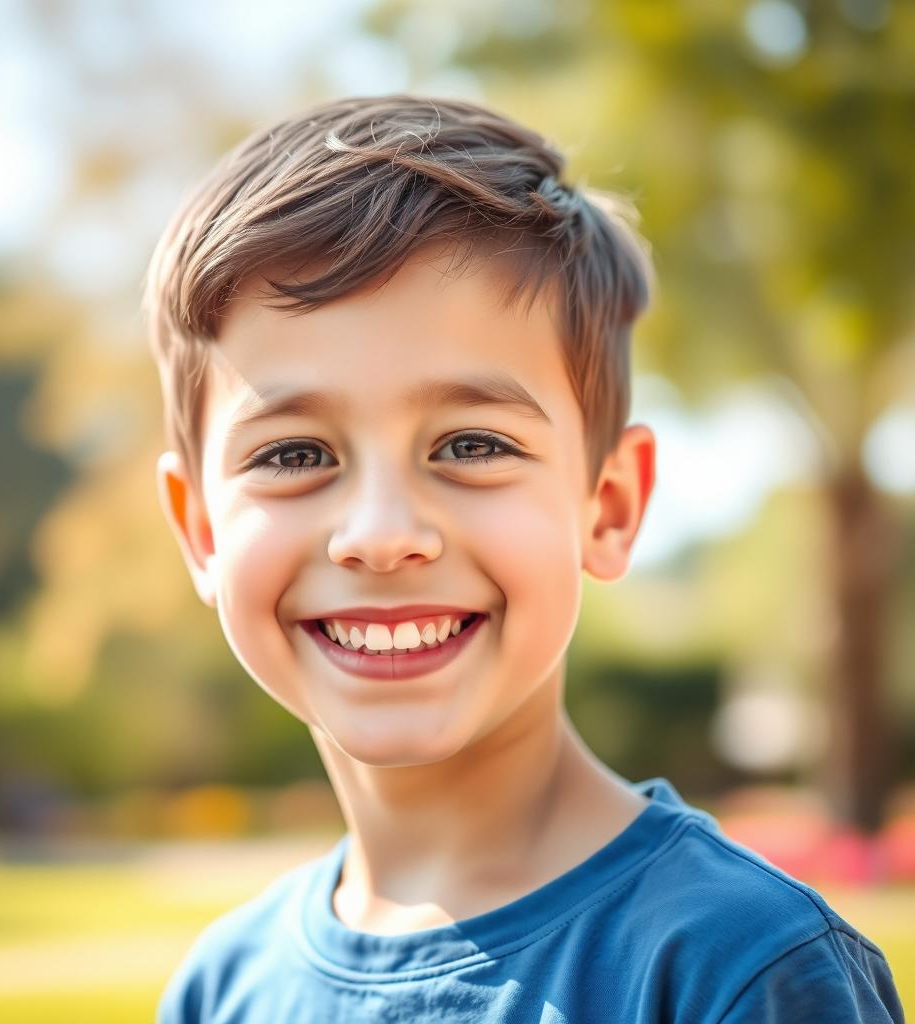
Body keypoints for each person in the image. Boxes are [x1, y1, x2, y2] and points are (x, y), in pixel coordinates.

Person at [144, 95, 905, 1023]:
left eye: (470, 445)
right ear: (202, 532)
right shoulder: (222, 987)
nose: (382, 534)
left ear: (610, 506)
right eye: (295, 455)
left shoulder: (735, 968)